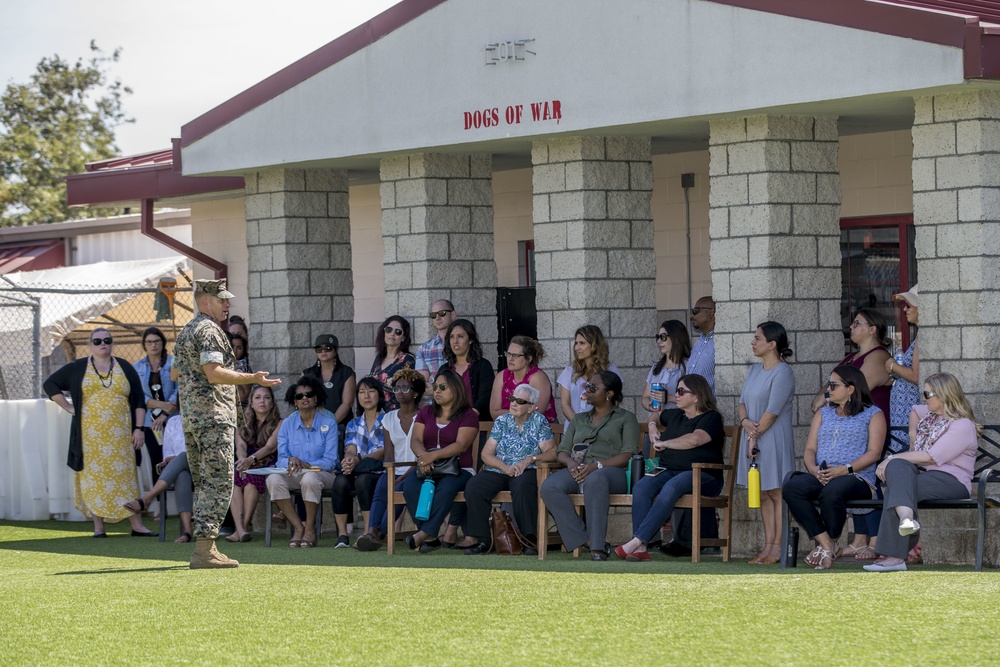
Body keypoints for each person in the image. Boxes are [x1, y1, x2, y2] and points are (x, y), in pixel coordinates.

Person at [174, 279, 280, 568]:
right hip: (212, 417)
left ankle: (206, 546)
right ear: (205, 300)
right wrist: (253, 378)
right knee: (218, 482)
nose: (227, 304)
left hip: (195, 418)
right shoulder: (208, 330)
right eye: (222, 300)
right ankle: (204, 551)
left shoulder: (187, 330)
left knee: (205, 481)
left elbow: (175, 373)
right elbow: (214, 372)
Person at [44, 328, 155, 538]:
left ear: (112, 343)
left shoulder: (125, 367)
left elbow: (139, 400)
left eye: (107, 340)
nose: (102, 343)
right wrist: (68, 407)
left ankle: (137, 525)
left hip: (122, 436)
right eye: (97, 341)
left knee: (126, 478)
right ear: (90, 345)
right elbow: (50, 384)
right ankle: (98, 527)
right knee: (94, 479)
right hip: (89, 437)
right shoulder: (78, 367)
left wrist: (139, 429)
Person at [865, 373, 979, 572]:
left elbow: (930, 457)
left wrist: (891, 458)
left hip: (952, 482)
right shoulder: (930, 416)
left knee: (897, 482)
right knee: (899, 470)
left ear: (943, 396)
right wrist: (913, 433)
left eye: (927, 394)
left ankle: (895, 555)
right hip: (924, 476)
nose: (923, 398)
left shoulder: (962, 425)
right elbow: (914, 411)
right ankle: (906, 520)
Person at [782, 366, 885, 570]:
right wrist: (813, 469)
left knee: (832, 491)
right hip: (823, 474)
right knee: (792, 487)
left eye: (833, 385)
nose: (828, 389)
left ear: (851, 389)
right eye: (829, 384)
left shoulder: (873, 414)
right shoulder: (824, 413)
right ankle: (827, 544)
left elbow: (874, 453)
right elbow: (810, 448)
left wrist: (844, 469)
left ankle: (827, 545)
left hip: (857, 477)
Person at [811, 307, 893, 560]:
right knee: (851, 477)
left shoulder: (878, 357)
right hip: (845, 426)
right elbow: (828, 392)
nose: (852, 327)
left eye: (858, 323)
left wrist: (826, 400)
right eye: (852, 322)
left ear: (873, 329)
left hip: (869, 426)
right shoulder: (850, 358)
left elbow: (856, 391)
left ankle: (876, 540)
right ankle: (859, 540)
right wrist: (823, 401)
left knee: (869, 478)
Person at [615, 374, 724, 561]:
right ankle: (640, 547)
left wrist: (666, 444)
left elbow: (695, 439)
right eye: (677, 391)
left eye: (681, 391)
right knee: (641, 487)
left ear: (697, 396)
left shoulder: (711, 418)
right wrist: (651, 425)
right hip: (668, 470)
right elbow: (656, 414)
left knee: (672, 486)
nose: (676, 395)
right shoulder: (675, 415)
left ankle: (637, 540)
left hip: (703, 475)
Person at [540, 370, 638, 561]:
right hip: (578, 469)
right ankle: (585, 539)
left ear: (609, 394)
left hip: (612, 472)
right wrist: (570, 463)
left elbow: (628, 455)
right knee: (550, 486)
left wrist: (596, 466)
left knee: (596, 479)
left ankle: (597, 548)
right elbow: (562, 451)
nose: (587, 390)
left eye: (593, 387)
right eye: (586, 386)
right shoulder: (579, 419)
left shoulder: (626, 418)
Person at [458, 384, 556, 555]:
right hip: (500, 469)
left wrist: (529, 459)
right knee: (475, 486)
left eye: (520, 401)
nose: (513, 404)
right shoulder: (502, 421)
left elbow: (552, 452)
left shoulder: (539, 421)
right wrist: (504, 467)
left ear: (531, 407)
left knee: (523, 484)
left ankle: (529, 539)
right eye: (512, 399)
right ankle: (483, 540)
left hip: (527, 470)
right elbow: (486, 453)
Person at [400, 370, 479, 553]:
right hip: (428, 467)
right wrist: (423, 457)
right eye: (435, 387)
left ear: (457, 389)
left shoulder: (468, 415)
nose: (437, 391)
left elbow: (461, 445)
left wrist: (432, 456)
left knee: (446, 488)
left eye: (443, 387)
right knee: (410, 486)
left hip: (459, 469)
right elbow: (415, 440)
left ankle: (423, 534)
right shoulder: (426, 412)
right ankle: (432, 535)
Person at [737, 321, 796, 565]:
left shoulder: (783, 372)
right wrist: (744, 422)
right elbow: (741, 402)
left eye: (758, 338)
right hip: (753, 434)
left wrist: (753, 435)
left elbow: (772, 411)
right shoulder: (754, 370)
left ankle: (778, 547)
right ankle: (767, 545)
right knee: (761, 493)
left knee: (776, 492)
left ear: (772, 344)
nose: (753, 342)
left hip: (772, 437)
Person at [265, 376, 339, 548]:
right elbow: (281, 458)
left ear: (316, 398)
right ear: (295, 402)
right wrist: (291, 460)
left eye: (308, 394)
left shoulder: (329, 422)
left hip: (323, 474)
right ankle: (298, 527)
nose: (304, 398)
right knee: (273, 479)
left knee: (310, 478)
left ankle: (310, 527)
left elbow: (331, 460)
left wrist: (308, 465)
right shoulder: (287, 424)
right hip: (295, 473)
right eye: (299, 396)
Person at [356, 368, 424, 551]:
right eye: (396, 388)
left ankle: (379, 534)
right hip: (394, 468)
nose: (399, 392)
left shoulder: (424, 417)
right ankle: (371, 531)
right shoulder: (389, 418)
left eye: (405, 388)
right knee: (382, 487)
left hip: (417, 470)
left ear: (416, 392)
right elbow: (388, 454)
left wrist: (401, 477)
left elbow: (423, 455)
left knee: (399, 490)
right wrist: (391, 473)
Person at [885, 285, 922, 563]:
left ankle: (911, 545)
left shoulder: (923, 338)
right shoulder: (917, 337)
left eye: (909, 305)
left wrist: (892, 367)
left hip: (909, 417)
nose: (906, 309)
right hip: (900, 418)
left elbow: (916, 374)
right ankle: (906, 541)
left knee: (906, 473)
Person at [332, 377, 386, 548]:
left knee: (363, 480)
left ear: (379, 394)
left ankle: (368, 532)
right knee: (340, 481)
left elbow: (383, 451)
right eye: (362, 392)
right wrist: (349, 459)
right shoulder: (354, 423)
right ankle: (342, 534)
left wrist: (358, 459)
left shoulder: (389, 420)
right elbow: (351, 447)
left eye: (371, 391)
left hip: (379, 470)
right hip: (357, 467)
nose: (366, 396)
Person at [124, 414, 194, 542]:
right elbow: (168, 453)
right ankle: (187, 531)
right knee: (181, 474)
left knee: (183, 456)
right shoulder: (173, 421)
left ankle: (147, 498)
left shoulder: (204, 418)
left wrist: (179, 458)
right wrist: (173, 459)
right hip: (181, 469)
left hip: (202, 468)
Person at [227, 385, 281, 543]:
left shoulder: (280, 423)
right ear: (251, 402)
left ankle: (241, 528)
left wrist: (251, 460)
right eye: (257, 397)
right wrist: (243, 461)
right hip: (246, 461)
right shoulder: (242, 422)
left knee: (251, 483)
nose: (262, 401)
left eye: (266, 397)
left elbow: (270, 447)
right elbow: (241, 446)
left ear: (272, 402)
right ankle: (241, 529)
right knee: (234, 481)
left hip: (266, 462)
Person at [133, 326, 178, 480]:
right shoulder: (137, 367)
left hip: (173, 418)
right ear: (144, 345)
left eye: (157, 341)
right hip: (149, 421)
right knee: (156, 459)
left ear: (163, 342)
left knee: (175, 457)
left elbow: (179, 389)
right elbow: (137, 394)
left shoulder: (174, 362)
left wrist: (166, 412)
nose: (153, 345)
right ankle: (160, 500)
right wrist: (161, 405)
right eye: (149, 342)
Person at [556, 325, 621, 426]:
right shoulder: (570, 370)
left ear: (595, 345)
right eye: (576, 343)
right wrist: (580, 426)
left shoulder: (610, 370)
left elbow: (614, 403)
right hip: (574, 431)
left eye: (582, 343)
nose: (577, 348)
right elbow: (565, 405)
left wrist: (595, 427)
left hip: (601, 430)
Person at [489, 335, 557, 423]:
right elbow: (494, 413)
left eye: (516, 355)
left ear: (528, 359)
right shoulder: (501, 376)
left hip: (539, 429)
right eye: (508, 354)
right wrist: (521, 411)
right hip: (509, 428)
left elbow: (537, 412)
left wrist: (510, 413)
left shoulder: (538, 377)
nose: (510, 359)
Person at [302, 333, 356, 443]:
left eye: (328, 348)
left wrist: (328, 426)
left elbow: (347, 404)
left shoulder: (346, 373)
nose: (323, 351)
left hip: (340, 427)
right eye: (319, 349)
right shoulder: (307, 374)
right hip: (312, 429)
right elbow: (302, 402)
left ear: (336, 350)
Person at [439, 318, 494, 417]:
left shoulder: (483, 366)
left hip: (476, 424)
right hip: (449, 423)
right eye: (452, 337)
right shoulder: (444, 369)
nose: (455, 341)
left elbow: (486, 395)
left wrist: (470, 416)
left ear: (471, 339)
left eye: (460, 336)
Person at [641, 320, 691, 415]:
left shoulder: (689, 366)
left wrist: (669, 398)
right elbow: (645, 396)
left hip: (677, 422)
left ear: (676, 338)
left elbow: (694, 398)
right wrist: (650, 406)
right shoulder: (656, 366)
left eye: (663, 337)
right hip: (655, 424)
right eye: (657, 337)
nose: (658, 341)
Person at [369, 315, 415, 410]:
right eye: (389, 330)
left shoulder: (408, 360)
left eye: (398, 332)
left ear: (403, 338)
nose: (392, 334)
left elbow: (407, 390)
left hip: (396, 414)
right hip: (376, 413)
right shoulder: (379, 358)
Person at [415, 299, 457, 381]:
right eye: (433, 315)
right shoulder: (424, 349)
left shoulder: (462, 344)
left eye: (442, 313)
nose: (437, 318)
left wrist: (432, 380)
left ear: (453, 315)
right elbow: (422, 385)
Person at [688, 296, 716, 392]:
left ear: (710, 312)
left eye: (696, 310)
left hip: (708, 405)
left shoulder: (719, 342)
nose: (692, 316)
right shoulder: (699, 341)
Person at [230, 332, 252, 409]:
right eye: (232, 346)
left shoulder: (242, 366)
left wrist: (232, 374)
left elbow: (242, 396)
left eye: (239, 348)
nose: (235, 350)